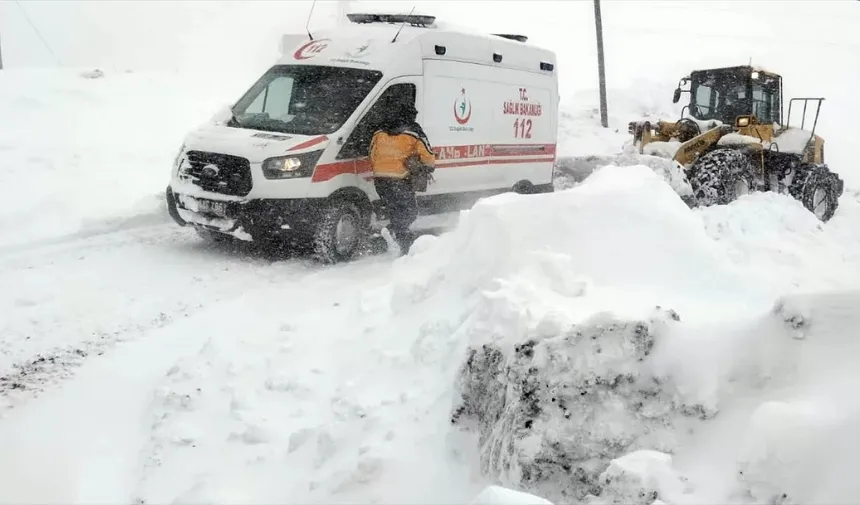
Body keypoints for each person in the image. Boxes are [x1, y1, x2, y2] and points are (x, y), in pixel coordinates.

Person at [369, 103, 435, 254]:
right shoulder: (414, 131)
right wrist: (428, 166)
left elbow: (371, 154)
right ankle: (391, 231)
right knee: (409, 212)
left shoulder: (379, 131)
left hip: (380, 179)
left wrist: (381, 168)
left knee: (395, 210)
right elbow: (427, 155)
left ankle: (402, 246)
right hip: (400, 179)